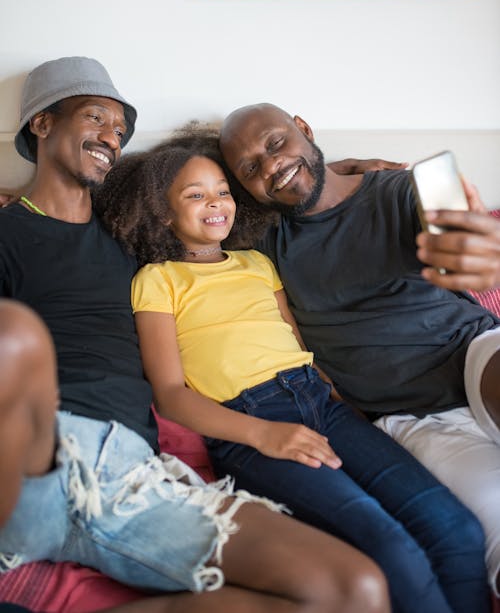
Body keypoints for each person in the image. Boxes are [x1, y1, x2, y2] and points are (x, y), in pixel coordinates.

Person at [0, 60, 392, 613]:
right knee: (11, 337)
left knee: (353, 589)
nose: (111, 138)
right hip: (34, 459)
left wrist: (346, 172)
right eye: (96, 119)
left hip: (131, 477)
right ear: (41, 124)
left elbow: (225, 202)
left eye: (120, 130)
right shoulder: (9, 230)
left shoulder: (132, 233)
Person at [93, 126, 490, 613]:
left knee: (455, 529)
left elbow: (299, 346)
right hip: (250, 423)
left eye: (222, 191)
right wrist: (263, 434)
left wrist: (344, 410)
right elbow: (173, 394)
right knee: (390, 546)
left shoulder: (258, 263)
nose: (215, 203)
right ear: (163, 214)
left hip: (322, 404)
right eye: (195, 195)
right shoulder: (158, 280)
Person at [218, 101, 500, 597]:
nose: (270, 165)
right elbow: (177, 212)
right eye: (250, 168)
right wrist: (335, 164)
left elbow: (455, 230)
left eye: (276, 142)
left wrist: (482, 252)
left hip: (475, 356)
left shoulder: (400, 189)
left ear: (303, 128)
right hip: (412, 420)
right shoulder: (261, 242)